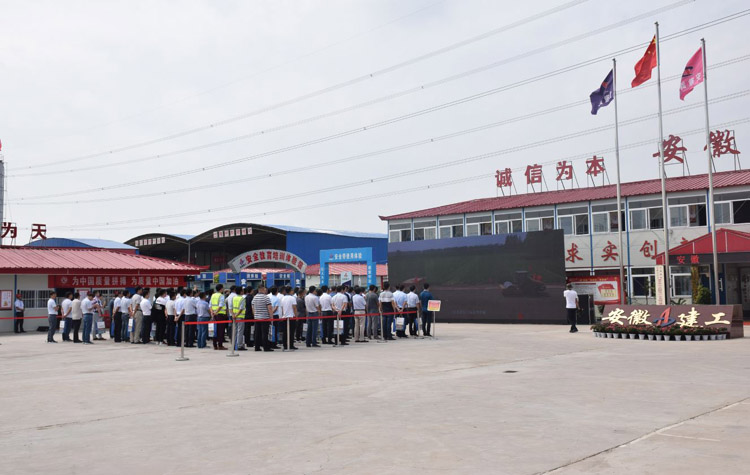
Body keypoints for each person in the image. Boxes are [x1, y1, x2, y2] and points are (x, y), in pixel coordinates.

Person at [252, 285, 274, 352]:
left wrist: (255, 315)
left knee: (257, 333)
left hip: (257, 318)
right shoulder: (266, 297)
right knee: (265, 333)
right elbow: (269, 308)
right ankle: (266, 347)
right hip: (265, 318)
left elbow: (253, 307)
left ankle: (257, 347)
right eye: (265, 289)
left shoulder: (255, 297)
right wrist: (271, 317)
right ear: (262, 289)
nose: (266, 290)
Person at [280, 286, 298, 350]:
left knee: (285, 332)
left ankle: (285, 345)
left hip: (285, 317)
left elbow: (282, 308)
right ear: (290, 291)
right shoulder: (292, 298)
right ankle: (290, 345)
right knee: (291, 332)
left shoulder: (283, 298)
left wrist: (283, 315)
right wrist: (296, 316)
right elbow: (294, 308)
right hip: (291, 316)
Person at [210, 284, 227, 350]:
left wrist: (212, 313)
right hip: (220, 315)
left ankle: (215, 345)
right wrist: (216, 312)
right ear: (221, 289)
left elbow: (210, 305)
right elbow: (220, 305)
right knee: (220, 330)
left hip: (214, 315)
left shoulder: (213, 295)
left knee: (215, 330)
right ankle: (220, 345)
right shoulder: (221, 296)